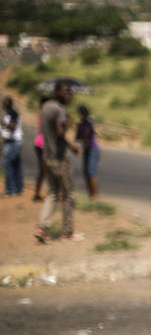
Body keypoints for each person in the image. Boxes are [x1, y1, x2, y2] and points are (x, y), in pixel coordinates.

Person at [35, 79, 82, 243]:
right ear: (56, 92)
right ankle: (67, 232)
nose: (68, 94)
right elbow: (60, 134)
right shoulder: (60, 110)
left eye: (70, 91)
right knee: (68, 195)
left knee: (53, 194)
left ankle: (42, 228)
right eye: (65, 91)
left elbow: (50, 132)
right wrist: (73, 147)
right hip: (60, 159)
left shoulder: (45, 107)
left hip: (47, 156)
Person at [75, 104, 99, 200]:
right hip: (86, 149)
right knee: (86, 174)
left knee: (91, 173)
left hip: (92, 149)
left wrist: (81, 136)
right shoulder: (81, 124)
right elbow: (78, 137)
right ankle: (90, 195)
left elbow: (85, 135)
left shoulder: (89, 122)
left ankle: (95, 195)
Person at [2, 96, 24, 196]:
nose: (2, 105)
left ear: (9, 104)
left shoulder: (13, 114)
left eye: (4, 103)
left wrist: (2, 124)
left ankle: (9, 189)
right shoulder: (9, 114)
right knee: (16, 165)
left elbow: (12, 128)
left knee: (9, 165)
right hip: (12, 142)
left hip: (13, 142)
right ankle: (18, 189)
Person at [31, 95, 49, 202]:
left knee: (43, 170)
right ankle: (37, 193)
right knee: (46, 170)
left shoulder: (41, 115)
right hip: (43, 145)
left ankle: (37, 193)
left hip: (39, 143)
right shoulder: (45, 115)